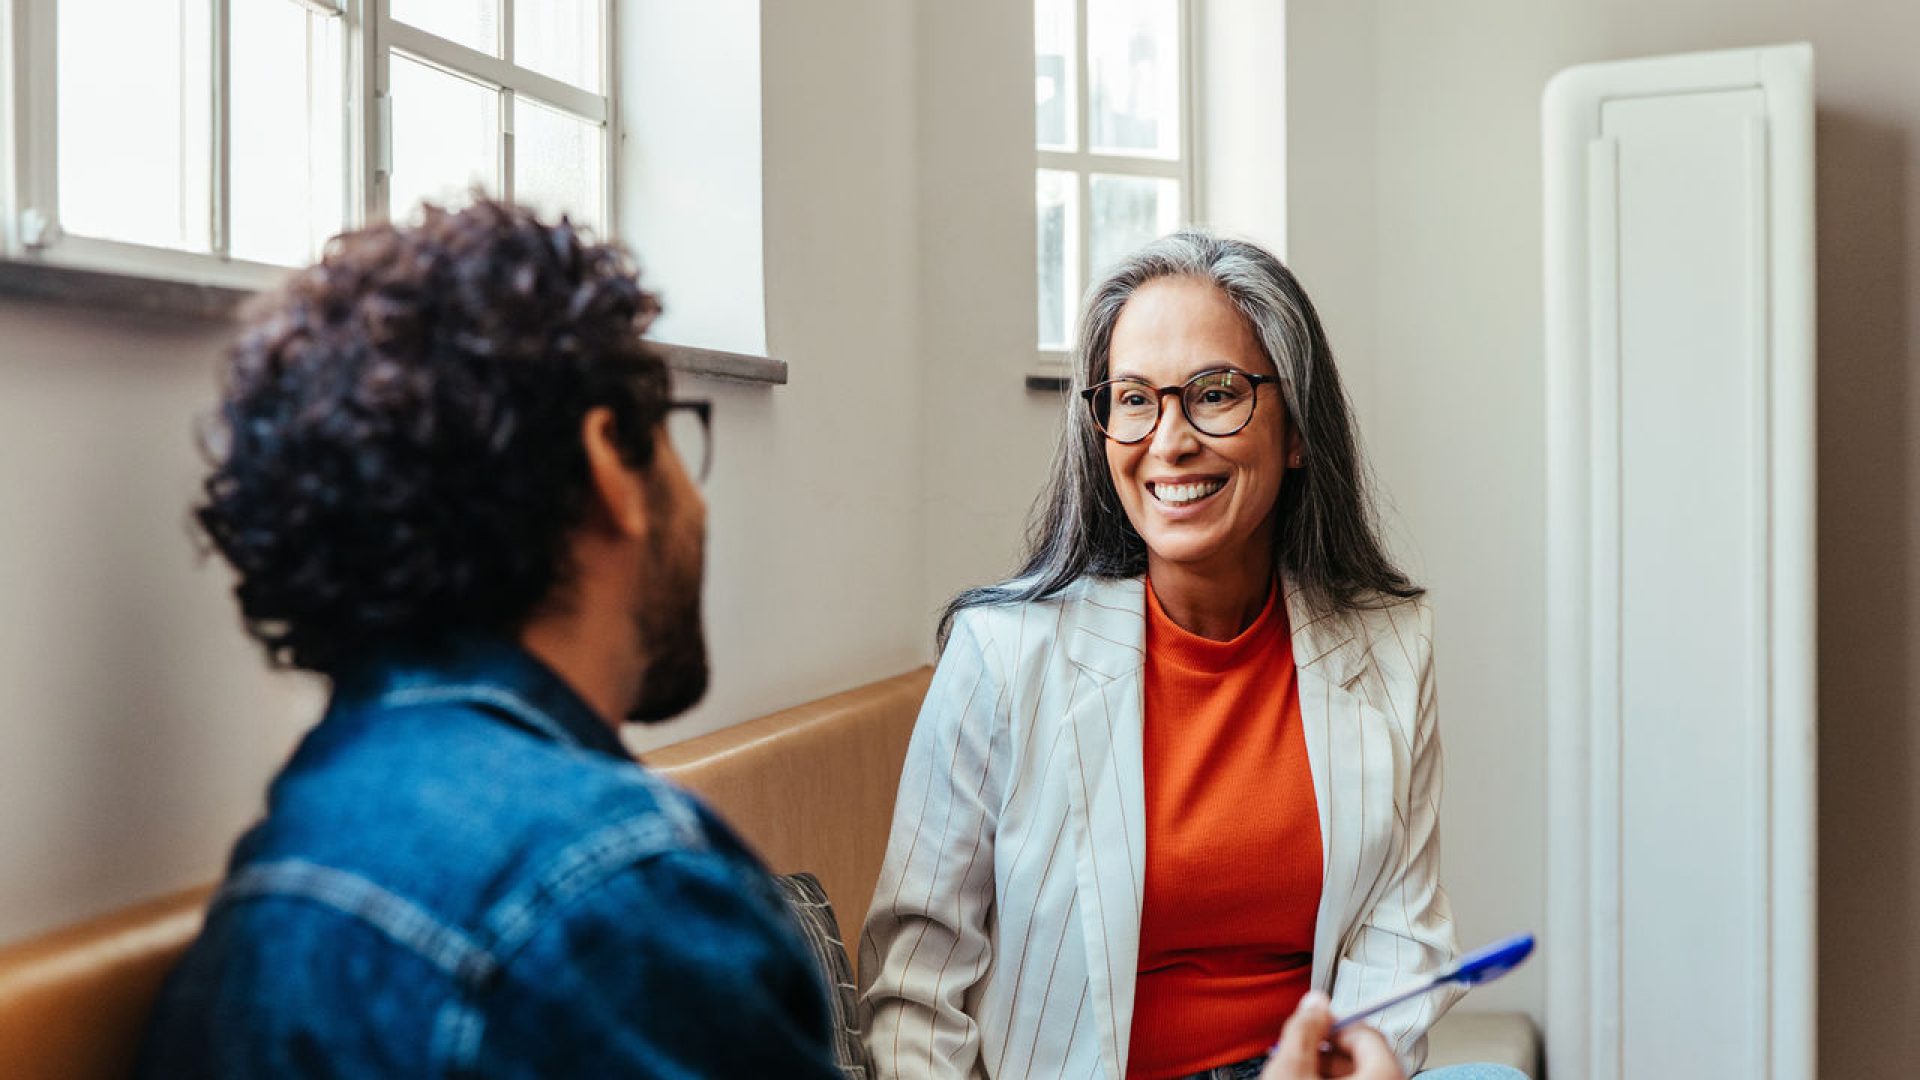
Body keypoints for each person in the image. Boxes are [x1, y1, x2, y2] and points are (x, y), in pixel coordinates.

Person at [136, 200, 843, 1077]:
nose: (696, 504)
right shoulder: (613, 897)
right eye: (672, 434)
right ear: (607, 463)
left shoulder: (273, 884)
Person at [860, 232, 1522, 1080]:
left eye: (1215, 393)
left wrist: (1367, 1055)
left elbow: (1401, 927)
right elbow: (914, 989)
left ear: (1297, 431)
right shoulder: (1000, 655)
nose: (1169, 441)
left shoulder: (1390, 643)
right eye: (1134, 400)